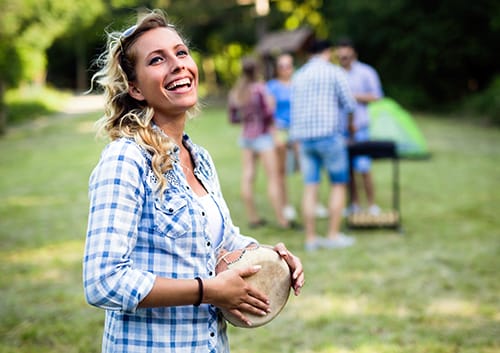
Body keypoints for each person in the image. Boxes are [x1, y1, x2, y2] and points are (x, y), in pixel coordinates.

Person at [83, 10, 304, 353]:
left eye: (181, 52)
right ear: (136, 88)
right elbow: (103, 281)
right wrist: (208, 290)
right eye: (157, 59)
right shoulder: (125, 160)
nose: (177, 65)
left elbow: (222, 242)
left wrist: (268, 256)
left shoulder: (199, 158)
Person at [289, 39, 357, 251]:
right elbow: (350, 104)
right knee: (338, 184)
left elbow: (294, 110)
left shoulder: (299, 75)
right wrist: (351, 127)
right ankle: (332, 235)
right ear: (327, 52)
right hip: (330, 137)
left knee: (310, 187)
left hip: (304, 140)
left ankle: (310, 238)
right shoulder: (335, 72)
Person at [228, 57, 291, 229]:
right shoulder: (260, 89)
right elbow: (269, 115)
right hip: (263, 137)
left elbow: (233, 118)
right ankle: (282, 219)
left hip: (246, 137)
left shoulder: (237, 91)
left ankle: (253, 217)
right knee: (273, 178)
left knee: (248, 176)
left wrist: (247, 119)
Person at [336, 37, 384, 215]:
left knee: (364, 167)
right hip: (341, 129)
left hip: (360, 127)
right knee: (347, 170)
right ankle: (353, 204)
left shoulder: (366, 72)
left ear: (353, 53)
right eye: (341, 56)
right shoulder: (335, 73)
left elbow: (377, 95)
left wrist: (353, 96)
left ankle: (371, 204)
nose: (344, 58)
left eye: (346, 55)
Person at [265, 53, 298, 222]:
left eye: (288, 65)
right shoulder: (272, 86)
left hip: (299, 130)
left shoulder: (299, 84)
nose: (286, 69)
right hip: (281, 130)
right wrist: (275, 134)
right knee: (282, 171)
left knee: (306, 168)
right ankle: (286, 204)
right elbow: (269, 114)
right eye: (282, 66)